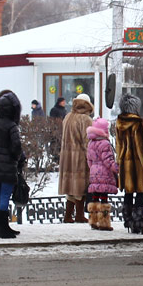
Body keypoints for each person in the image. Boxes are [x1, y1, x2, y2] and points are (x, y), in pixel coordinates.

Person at [0, 91, 24, 239]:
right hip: (8, 164)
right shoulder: (12, 125)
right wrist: (15, 157)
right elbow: (16, 145)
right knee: (5, 195)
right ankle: (3, 227)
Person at [58, 93, 93, 223]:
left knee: (70, 186)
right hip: (79, 157)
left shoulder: (68, 117)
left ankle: (68, 215)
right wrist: (91, 157)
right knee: (80, 186)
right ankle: (79, 215)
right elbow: (87, 142)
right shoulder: (86, 120)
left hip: (67, 157)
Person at [115, 93, 143, 234]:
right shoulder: (138, 123)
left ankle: (127, 220)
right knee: (140, 192)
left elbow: (118, 145)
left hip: (124, 164)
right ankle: (138, 222)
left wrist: (119, 161)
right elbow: (140, 147)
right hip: (137, 165)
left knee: (128, 193)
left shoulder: (119, 122)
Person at [85, 116, 119, 231]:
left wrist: (93, 169)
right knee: (104, 198)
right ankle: (104, 223)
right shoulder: (104, 143)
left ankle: (93, 221)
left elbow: (89, 160)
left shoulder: (91, 143)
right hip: (104, 174)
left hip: (94, 173)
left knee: (95, 197)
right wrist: (117, 168)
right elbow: (108, 161)